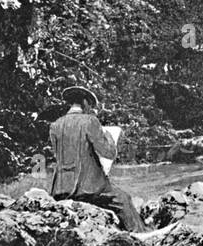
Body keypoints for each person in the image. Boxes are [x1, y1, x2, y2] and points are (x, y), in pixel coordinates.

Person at [47, 85, 143, 231]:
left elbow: (59, 155)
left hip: (60, 188)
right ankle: (139, 234)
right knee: (123, 199)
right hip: (88, 188)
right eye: (90, 105)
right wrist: (110, 138)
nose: (90, 109)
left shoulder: (55, 125)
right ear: (85, 103)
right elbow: (108, 153)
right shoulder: (90, 121)